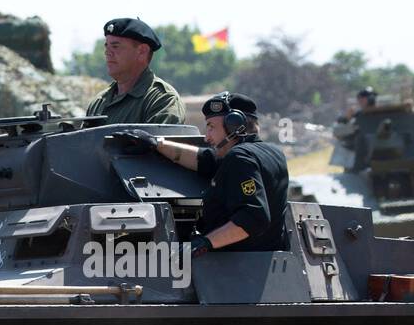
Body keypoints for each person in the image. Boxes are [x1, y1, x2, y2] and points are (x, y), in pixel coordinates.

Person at [114, 93, 288, 256]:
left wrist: (204, 243)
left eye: (211, 127)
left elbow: (253, 217)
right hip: (262, 262)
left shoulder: (240, 157)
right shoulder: (272, 153)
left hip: (234, 265)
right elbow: (203, 159)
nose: (207, 137)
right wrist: (155, 143)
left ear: (234, 125)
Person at [85, 17, 186, 125]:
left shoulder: (162, 99)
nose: (107, 53)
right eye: (107, 46)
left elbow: (159, 141)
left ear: (142, 51)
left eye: (115, 46)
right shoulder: (99, 102)